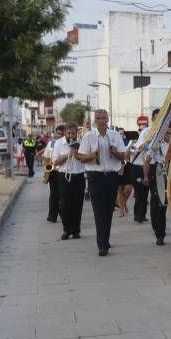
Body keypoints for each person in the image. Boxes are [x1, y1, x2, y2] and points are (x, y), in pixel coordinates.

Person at [77, 109, 125, 256]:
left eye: (104, 118)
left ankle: (106, 239)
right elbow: (80, 157)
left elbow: (123, 156)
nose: (102, 121)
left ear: (108, 119)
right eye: (98, 118)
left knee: (108, 210)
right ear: (95, 120)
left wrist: (115, 152)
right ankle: (102, 244)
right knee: (99, 211)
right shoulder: (88, 136)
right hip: (95, 176)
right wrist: (92, 155)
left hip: (111, 176)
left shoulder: (115, 135)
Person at [53, 122, 86, 240]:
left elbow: (86, 159)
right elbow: (55, 162)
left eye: (73, 133)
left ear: (77, 132)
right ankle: (66, 229)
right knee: (65, 204)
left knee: (78, 204)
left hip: (79, 176)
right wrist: (69, 154)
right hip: (64, 176)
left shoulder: (82, 143)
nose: (71, 135)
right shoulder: (58, 143)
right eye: (68, 133)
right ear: (65, 132)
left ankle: (76, 230)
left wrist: (77, 153)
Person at [143, 119, 171, 246]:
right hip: (158, 173)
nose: (169, 135)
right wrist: (145, 176)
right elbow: (147, 160)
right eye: (167, 132)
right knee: (159, 206)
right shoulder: (156, 144)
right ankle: (160, 234)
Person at [132, 109, 158, 223]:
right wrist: (149, 144)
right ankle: (138, 215)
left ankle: (148, 216)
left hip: (155, 167)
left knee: (153, 194)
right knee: (140, 192)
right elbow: (140, 146)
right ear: (152, 119)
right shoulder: (146, 132)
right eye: (157, 117)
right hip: (141, 165)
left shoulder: (166, 131)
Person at [44, 125, 65, 223]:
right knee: (53, 194)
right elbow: (46, 157)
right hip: (53, 171)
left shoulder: (67, 144)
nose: (60, 135)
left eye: (62, 133)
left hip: (63, 172)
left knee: (63, 195)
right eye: (58, 133)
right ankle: (52, 216)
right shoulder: (51, 143)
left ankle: (63, 214)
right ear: (55, 133)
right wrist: (47, 171)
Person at [116, 130, 136, 218]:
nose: (121, 135)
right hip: (118, 165)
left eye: (122, 133)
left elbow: (129, 156)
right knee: (119, 189)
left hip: (128, 166)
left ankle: (123, 204)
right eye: (119, 133)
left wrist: (130, 146)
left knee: (128, 189)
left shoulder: (130, 142)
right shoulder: (115, 142)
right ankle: (121, 209)